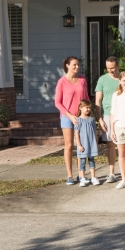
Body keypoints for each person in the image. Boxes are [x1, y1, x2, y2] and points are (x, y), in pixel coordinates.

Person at [54, 56, 90, 185]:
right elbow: (57, 103)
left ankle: (81, 174)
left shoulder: (82, 80)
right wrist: (69, 116)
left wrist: (88, 114)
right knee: (69, 145)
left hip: (81, 118)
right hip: (67, 118)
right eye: (74, 65)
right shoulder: (62, 82)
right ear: (67, 66)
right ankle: (70, 175)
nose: (77, 67)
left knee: (81, 146)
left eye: (78, 65)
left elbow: (86, 99)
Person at [95, 56, 125, 183]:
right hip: (108, 114)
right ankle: (111, 173)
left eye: (113, 68)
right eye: (108, 68)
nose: (110, 70)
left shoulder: (123, 79)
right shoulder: (102, 79)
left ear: (118, 66)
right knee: (110, 143)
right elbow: (98, 101)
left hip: (123, 115)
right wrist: (100, 119)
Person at [75, 99, 100, 187]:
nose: (88, 109)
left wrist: (96, 143)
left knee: (91, 161)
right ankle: (83, 178)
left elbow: (95, 132)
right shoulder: (78, 120)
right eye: (86, 107)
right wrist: (79, 145)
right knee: (82, 162)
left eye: (89, 108)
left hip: (91, 144)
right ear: (80, 108)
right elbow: (76, 134)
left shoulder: (91, 120)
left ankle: (93, 177)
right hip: (83, 145)